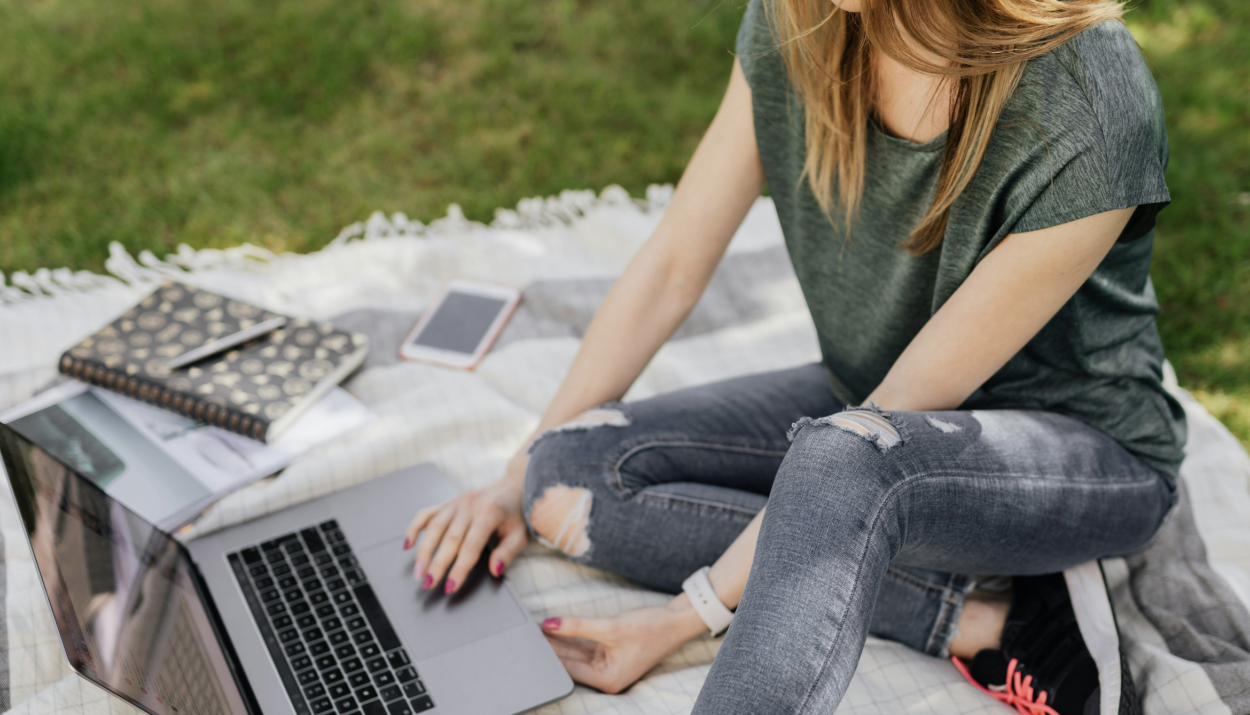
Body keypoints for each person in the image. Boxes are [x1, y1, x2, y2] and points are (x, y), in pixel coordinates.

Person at [403, 0, 1185, 711]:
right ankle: (975, 614)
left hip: (1083, 450)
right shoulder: (800, 20)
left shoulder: (1090, 98)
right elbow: (676, 261)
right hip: (865, 402)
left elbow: (892, 414)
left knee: (844, 457)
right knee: (563, 474)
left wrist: (685, 617)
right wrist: (512, 474)